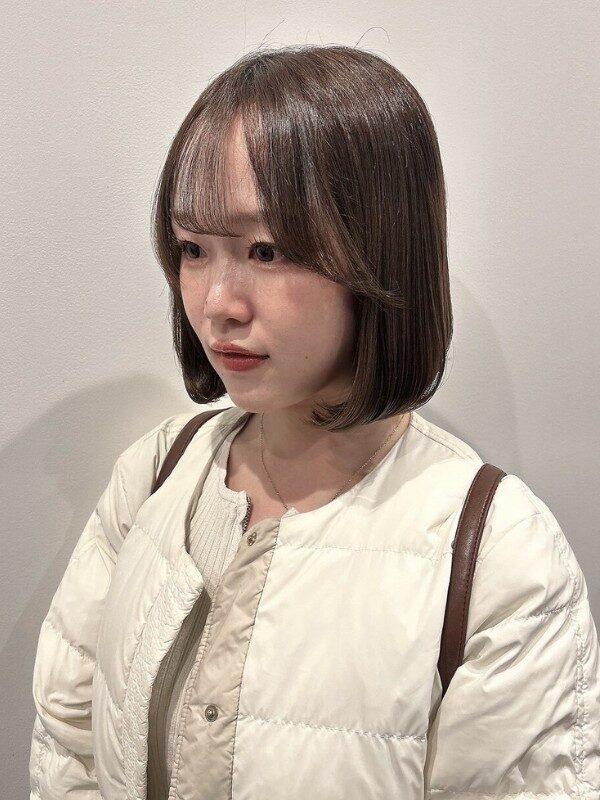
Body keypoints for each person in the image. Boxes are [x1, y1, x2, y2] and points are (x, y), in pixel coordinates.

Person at [29, 44, 600, 800]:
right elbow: (68, 745)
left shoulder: (497, 554)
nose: (217, 303)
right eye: (193, 248)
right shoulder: (154, 478)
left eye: (266, 251)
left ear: (381, 253)